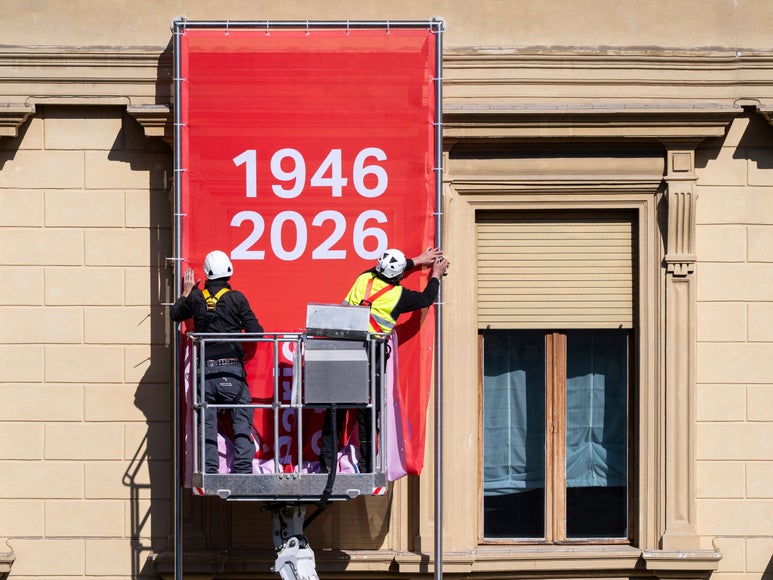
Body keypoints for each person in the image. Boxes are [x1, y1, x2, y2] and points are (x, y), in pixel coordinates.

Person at [319, 247, 449, 473]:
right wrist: (435, 272)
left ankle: (326, 465)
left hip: (343, 349)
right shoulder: (398, 295)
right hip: (370, 354)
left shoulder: (364, 278)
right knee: (367, 412)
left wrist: (417, 260)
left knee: (335, 409)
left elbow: (382, 271)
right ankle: (368, 465)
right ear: (398, 277)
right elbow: (427, 299)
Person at [170, 250, 263, 475]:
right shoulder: (236, 298)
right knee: (241, 419)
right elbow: (256, 333)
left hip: (206, 372)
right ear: (229, 271)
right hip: (232, 370)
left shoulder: (196, 298)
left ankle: (210, 469)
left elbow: (175, 314)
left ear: (208, 273)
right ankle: (242, 469)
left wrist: (185, 292)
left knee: (208, 423)